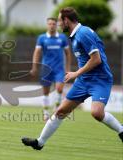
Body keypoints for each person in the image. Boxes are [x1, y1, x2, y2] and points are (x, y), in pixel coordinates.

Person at [22, 7, 123, 150]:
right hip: (83, 81)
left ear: (66, 20)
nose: (58, 24)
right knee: (60, 112)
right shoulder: (77, 35)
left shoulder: (83, 33)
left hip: (100, 79)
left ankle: (121, 130)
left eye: (59, 21)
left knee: (97, 113)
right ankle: (40, 142)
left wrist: (76, 73)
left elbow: (96, 59)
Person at [30, 17, 71, 121]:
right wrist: (34, 67)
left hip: (59, 69)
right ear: (47, 25)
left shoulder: (62, 38)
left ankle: (57, 108)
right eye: (50, 24)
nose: (52, 26)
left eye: (53, 24)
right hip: (46, 69)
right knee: (45, 92)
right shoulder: (42, 38)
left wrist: (68, 68)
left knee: (59, 89)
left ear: (56, 25)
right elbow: (37, 52)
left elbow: (68, 53)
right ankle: (45, 112)